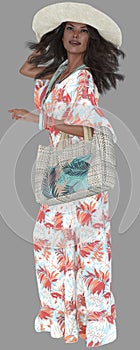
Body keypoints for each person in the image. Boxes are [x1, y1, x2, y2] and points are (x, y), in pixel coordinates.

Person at [8, 2, 125, 348]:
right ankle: (67, 321)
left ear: (93, 39)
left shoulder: (84, 79)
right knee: (53, 245)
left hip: (82, 173)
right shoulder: (59, 71)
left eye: (83, 30)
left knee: (88, 250)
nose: (75, 35)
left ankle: (97, 324)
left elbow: (87, 129)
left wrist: (39, 121)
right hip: (59, 172)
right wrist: (50, 42)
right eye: (69, 29)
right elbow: (26, 68)